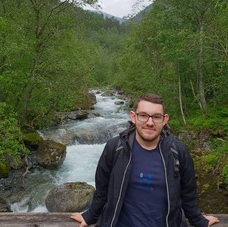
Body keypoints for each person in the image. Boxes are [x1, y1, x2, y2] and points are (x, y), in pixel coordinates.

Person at [70, 93, 219, 227]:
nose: (149, 122)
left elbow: (188, 195)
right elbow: (102, 190)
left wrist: (199, 220)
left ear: (164, 119)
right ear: (133, 116)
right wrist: (90, 216)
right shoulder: (114, 148)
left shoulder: (178, 152)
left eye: (156, 116)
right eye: (143, 115)